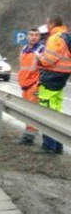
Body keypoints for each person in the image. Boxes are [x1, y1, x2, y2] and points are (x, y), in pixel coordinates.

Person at [36, 15, 71, 154]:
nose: (47, 26)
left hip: (50, 77)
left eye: (47, 23)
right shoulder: (66, 36)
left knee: (46, 112)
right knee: (55, 110)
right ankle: (58, 145)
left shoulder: (54, 38)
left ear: (52, 24)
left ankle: (49, 146)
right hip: (62, 78)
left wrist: (40, 58)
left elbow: (49, 60)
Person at [15, 28, 45, 145]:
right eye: (31, 35)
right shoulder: (24, 49)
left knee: (32, 110)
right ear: (27, 37)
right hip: (25, 84)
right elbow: (23, 67)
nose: (33, 37)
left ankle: (29, 137)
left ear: (39, 37)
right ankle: (28, 135)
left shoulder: (41, 49)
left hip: (35, 83)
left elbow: (44, 65)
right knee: (26, 110)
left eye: (36, 35)